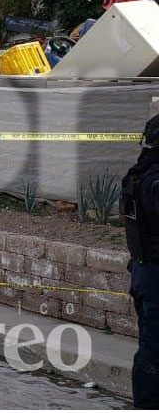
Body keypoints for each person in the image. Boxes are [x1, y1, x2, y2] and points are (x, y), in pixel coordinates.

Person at [123, 114, 159, 409]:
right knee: (153, 353)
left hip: (144, 272)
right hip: (155, 275)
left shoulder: (138, 175)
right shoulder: (154, 181)